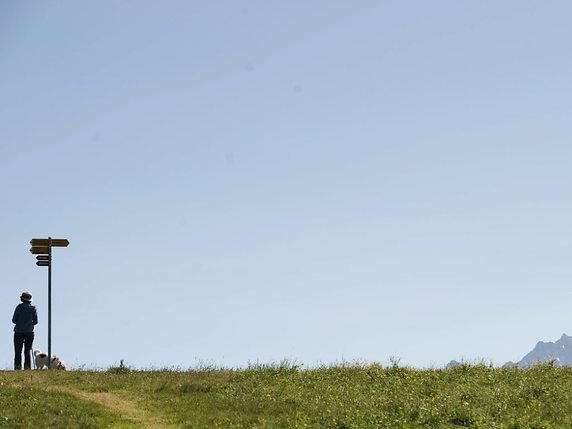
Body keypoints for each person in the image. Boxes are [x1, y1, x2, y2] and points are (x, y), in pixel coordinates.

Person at [12, 291, 38, 370]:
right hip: (29, 332)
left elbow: (14, 320)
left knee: (17, 351)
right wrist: (29, 324)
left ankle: (17, 367)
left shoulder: (19, 307)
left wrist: (20, 322)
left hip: (18, 331)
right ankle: (27, 367)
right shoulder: (33, 308)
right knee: (27, 351)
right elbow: (36, 321)